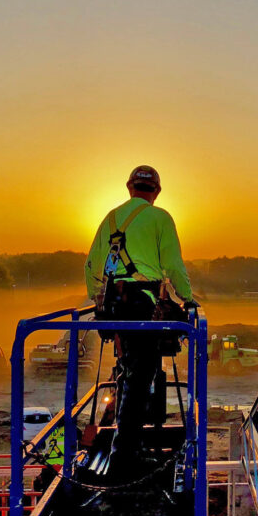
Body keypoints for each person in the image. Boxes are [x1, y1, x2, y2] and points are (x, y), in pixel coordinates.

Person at [84, 165, 195, 478]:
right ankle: (124, 456)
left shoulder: (110, 218)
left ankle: (125, 444)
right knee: (141, 374)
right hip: (139, 302)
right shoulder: (160, 218)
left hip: (113, 304)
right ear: (156, 192)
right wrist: (187, 298)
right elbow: (172, 265)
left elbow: (91, 265)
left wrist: (99, 300)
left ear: (130, 187)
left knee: (131, 367)